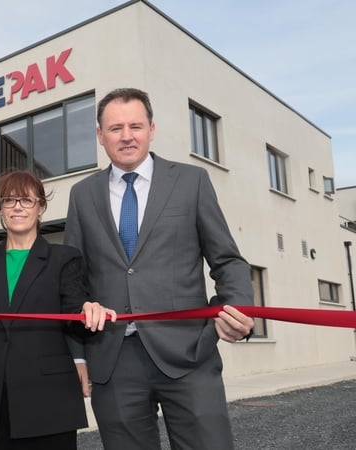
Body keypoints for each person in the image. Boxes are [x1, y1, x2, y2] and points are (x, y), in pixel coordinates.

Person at [64, 87, 255, 450]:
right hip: (113, 359)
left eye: (135, 125)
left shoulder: (191, 181)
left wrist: (238, 309)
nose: (126, 136)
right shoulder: (82, 194)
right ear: (99, 136)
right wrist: (77, 351)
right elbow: (73, 278)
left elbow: (227, 260)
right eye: (115, 128)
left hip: (188, 353)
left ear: (152, 129)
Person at [0, 170, 116, 450]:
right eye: (9, 200)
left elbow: (75, 313)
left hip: (48, 406)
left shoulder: (65, 258)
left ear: (41, 207)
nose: (17, 207)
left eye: (27, 200)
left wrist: (89, 312)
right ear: (0, 208)